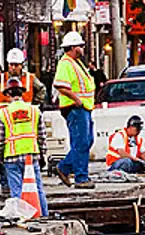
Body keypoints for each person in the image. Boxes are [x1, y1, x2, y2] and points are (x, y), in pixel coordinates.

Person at [0, 77, 47, 216]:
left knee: (16, 191)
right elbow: (41, 135)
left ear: (8, 94)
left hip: (11, 157)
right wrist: (42, 154)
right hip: (31, 155)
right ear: (22, 93)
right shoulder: (34, 111)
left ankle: (21, 217)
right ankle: (43, 215)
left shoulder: (3, 113)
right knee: (37, 188)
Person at [53, 31, 96, 190]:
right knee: (81, 142)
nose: (83, 48)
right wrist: (76, 99)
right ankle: (81, 177)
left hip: (83, 108)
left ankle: (64, 167)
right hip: (76, 108)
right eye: (80, 45)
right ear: (73, 47)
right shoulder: (65, 63)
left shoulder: (75, 63)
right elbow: (60, 84)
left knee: (87, 141)